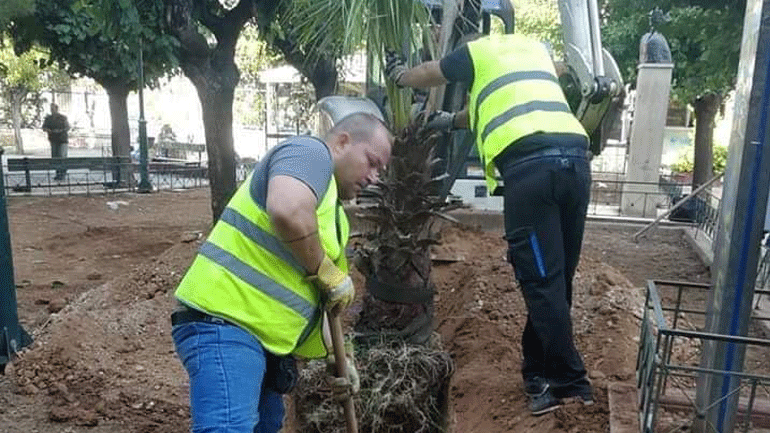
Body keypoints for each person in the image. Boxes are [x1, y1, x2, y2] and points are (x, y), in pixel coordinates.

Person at [385, 33, 593, 416]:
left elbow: (433, 71)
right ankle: (537, 374)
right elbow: (484, 110)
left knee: (541, 281)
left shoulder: (479, 51)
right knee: (555, 281)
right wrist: (448, 121)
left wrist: (399, 76)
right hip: (576, 164)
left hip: (532, 173)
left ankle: (569, 382)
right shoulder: (533, 53)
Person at [171, 112, 393, 432]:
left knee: (266, 424)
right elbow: (287, 209)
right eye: (372, 162)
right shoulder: (310, 153)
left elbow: (326, 299)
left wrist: (340, 359)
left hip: (258, 337)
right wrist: (326, 270)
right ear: (343, 142)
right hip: (225, 320)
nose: (374, 177)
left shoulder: (333, 218)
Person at [41, 103, 70, 181]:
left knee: (62, 156)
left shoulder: (63, 118)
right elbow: (44, 127)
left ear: (57, 109)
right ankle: (58, 173)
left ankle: (62, 174)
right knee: (55, 157)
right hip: (53, 140)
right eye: (51, 109)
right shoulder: (48, 118)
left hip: (62, 140)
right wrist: (49, 130)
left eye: (53, 109)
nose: (52, 110)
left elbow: (67, 127)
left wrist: (60, 131)